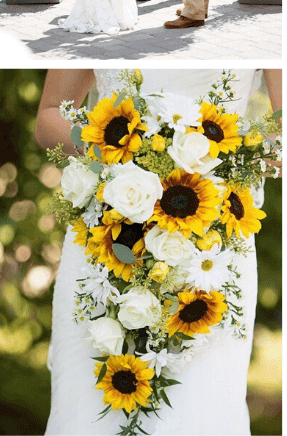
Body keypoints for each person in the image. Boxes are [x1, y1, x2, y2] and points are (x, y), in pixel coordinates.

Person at [35, 66, 281, 436]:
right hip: (108, 236)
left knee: (198, 408)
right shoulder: (100, 10)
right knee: (88, 409)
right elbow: (49, 114)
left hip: (213, 248)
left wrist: (214, 171)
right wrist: (114, 156)